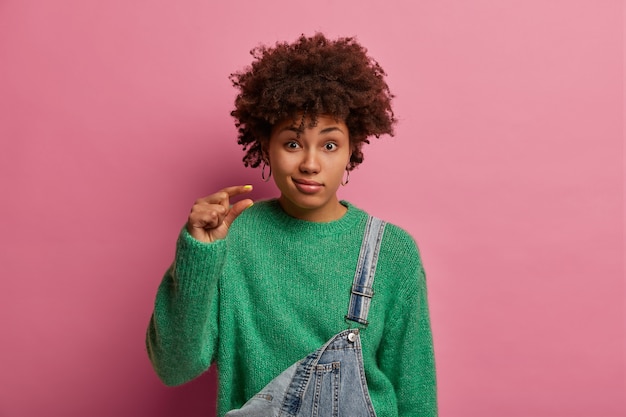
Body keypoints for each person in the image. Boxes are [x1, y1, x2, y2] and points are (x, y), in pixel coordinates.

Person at [146, 33, 437, 417]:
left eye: (330, 145)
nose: (311, 164)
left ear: (353, 149)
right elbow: (174, 366)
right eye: (293, 144)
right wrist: (200, 252)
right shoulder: (232, 239)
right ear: (266, 146)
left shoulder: (392, 252)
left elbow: (416, 395)